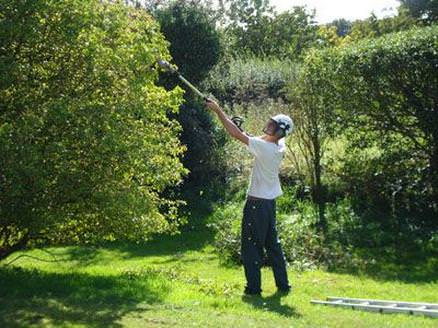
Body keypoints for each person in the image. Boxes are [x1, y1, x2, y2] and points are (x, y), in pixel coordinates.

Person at [205, 98, 293, 296]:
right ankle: (283, 285)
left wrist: (218, 111)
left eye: (272, 126)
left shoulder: (266, 148)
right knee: (273, 246)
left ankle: (253, 289)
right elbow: (255, 139)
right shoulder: (278, 147)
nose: (268, 126)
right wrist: (243, 131)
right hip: (268, 205)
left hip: (256, 206)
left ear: (279, 132)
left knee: (251, 248)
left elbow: (236, 135)